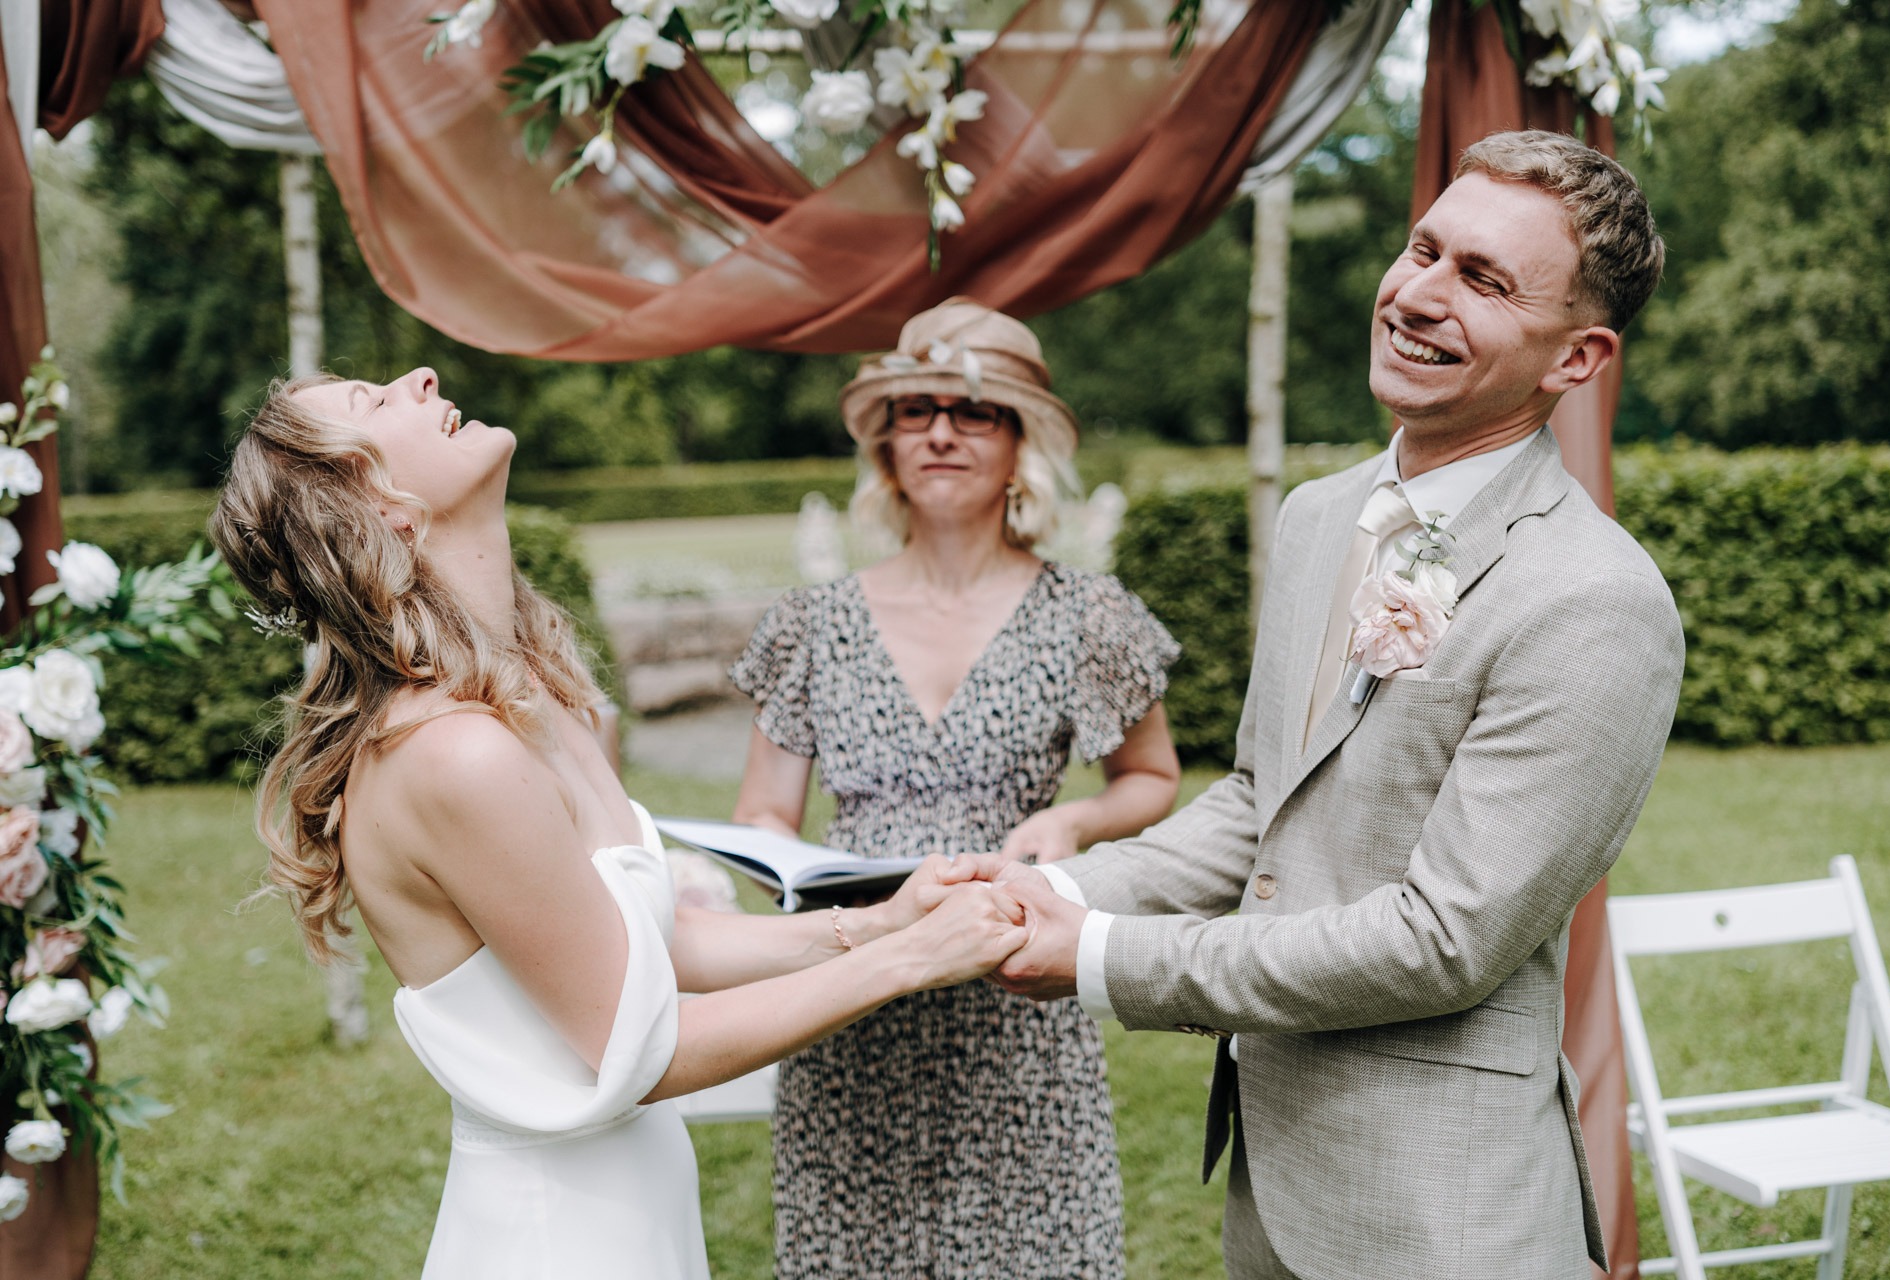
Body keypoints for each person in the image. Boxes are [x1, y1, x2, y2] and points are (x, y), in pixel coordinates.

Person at [990, 131, 1686, 1280]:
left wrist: (1106, 954)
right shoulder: (1319, 515)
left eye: (1484, 280)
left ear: (1580, 357)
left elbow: (1442, 940)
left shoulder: (1599, 599)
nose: (1417, 295)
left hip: (1442, 1213)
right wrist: (1050, 890)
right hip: (1273, 1182)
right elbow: (1266, 797)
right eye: (1424, 249)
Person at [208, 369, 1029, 1279]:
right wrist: (907, 962)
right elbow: (639, 1047)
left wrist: (878, 919)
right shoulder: (453, 754)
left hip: (633, 1208)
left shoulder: (532, 698)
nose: (421, 378)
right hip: (554, 1239)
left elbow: (641, 945)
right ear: (377, 510)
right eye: (373, 403)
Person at [729, 298, 1183, 1279]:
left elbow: (1152, 777)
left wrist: (1072, 817)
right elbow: (762, 809)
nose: (938, 431)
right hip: (855, 997)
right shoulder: (810, 623)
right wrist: (809, 881)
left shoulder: (1091, 617)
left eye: (972, 411)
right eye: (913, 409)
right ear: (884, 445)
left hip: (1018, 987)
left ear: (1020, 443)